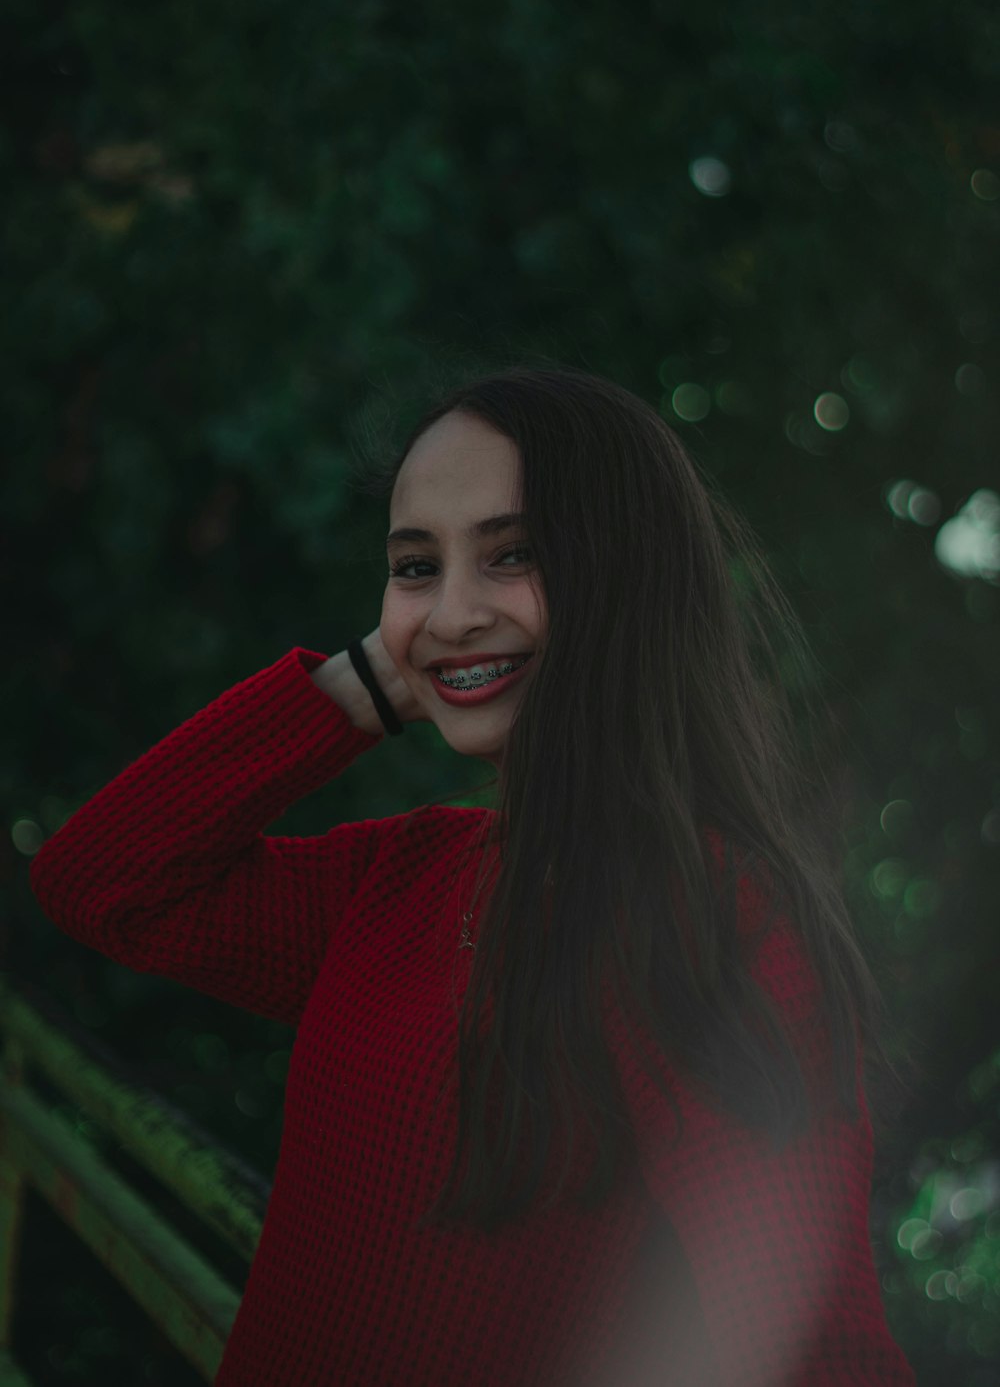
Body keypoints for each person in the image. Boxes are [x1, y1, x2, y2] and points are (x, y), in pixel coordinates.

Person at [30, 363, 916, 1386]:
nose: (451, 613)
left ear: (626, 579)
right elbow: (100, 882)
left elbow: (819, 1347)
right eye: (415, 567)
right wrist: (363, 682)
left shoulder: (717, 919)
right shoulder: (401, 877)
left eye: (514, 556)